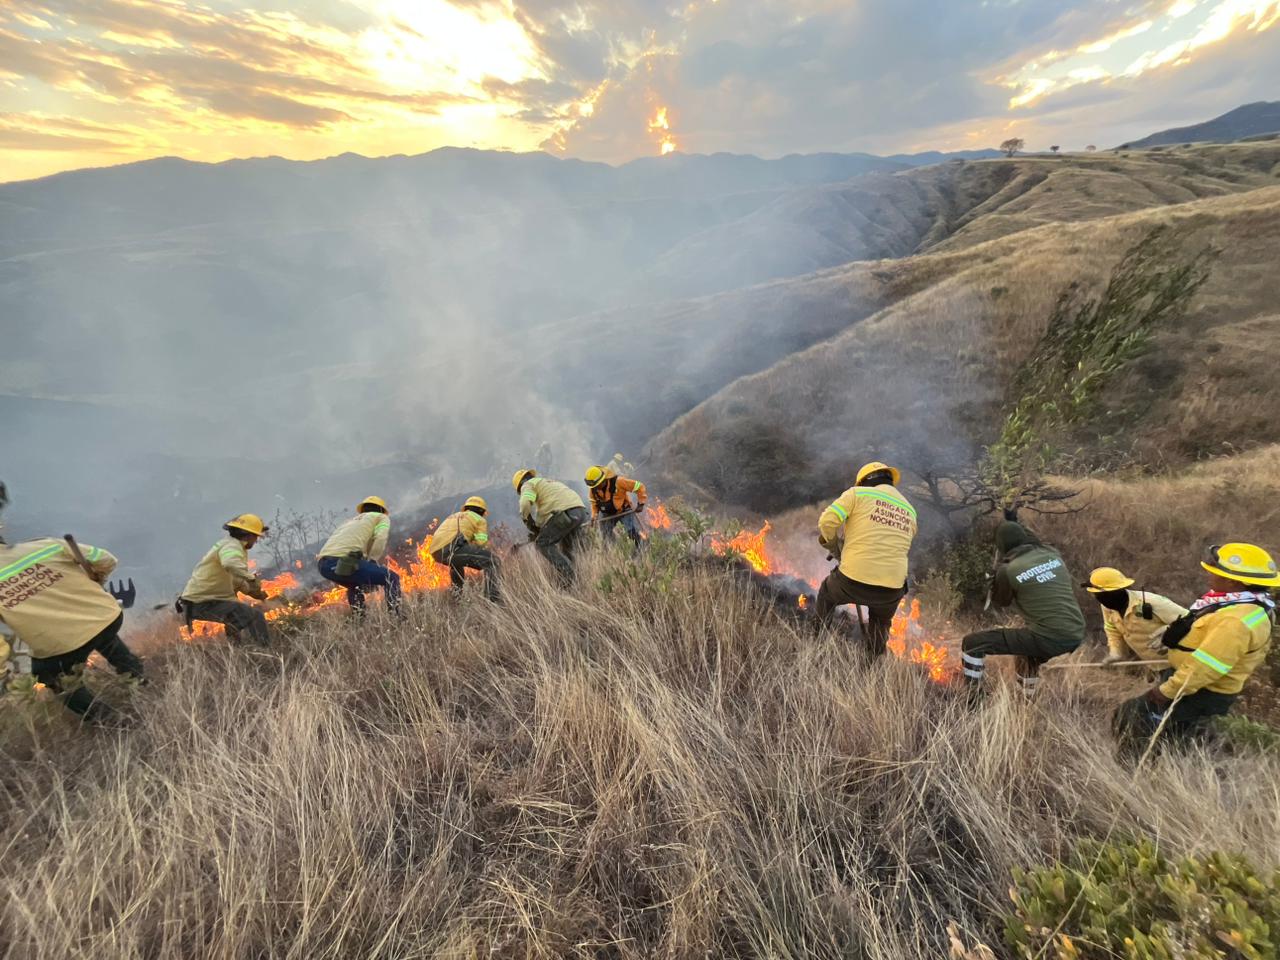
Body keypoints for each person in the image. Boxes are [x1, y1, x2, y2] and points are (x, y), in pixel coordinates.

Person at [1113, 543, 1276, 756]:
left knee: (1135, 718)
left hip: (1201, 691)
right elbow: (1206, 630)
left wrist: (1166, 692)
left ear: (1232, 581)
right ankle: (1168, 767)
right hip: (1194, 685)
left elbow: (1206, 666)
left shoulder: (1235, 621)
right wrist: (1175, 634)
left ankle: (1133, 769)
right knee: (1172, 736)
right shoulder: (1234, 603)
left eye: (1214, 572)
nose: (1209, 575)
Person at [0, 485, 144, 721]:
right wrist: (96, 578)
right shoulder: (45, 546)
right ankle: (139, 682)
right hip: (106, 617)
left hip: (61, 645)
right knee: (104, 635)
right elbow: (105, 559)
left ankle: (111, 721)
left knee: (52, 677)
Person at [960, 520, 1085, 698]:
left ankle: (973, 697)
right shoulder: (1052, 554)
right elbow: (1032, 538)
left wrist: (993, 581)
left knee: (972, 644)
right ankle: (1025, 701)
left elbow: (1001, 601)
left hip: (1048, 636)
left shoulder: (1009, 570)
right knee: (1027, 653)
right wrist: (1012, 520)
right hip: (1075, 632)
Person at [815, 461, 917, 654]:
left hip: (852, 580)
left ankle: (817, 644)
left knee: (826, 594)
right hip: (892, 589)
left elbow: (826, 522)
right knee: (880, 624)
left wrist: (834, 547)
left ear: (862, 482)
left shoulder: (857, 494)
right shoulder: (909, 510)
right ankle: (873, 665)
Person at [179, 513, 272, 645]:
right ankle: (264, 651)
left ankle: (237, 651)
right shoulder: (232, 547)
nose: (256, 541)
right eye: (256, 537)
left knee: (238, 616)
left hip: (199, 603)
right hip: (203, 603)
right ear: (249, 535)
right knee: (255, 616)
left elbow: (234, 579)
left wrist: (253, 592)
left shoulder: (228, 544)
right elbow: (230, 563)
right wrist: (251, 578)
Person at [317, 496, 402, 615]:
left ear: (362, 510)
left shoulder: (349, 522)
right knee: (391, 578)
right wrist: (373, 560)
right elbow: (380, 537)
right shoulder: (381, 517)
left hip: (323, 565)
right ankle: (395, 616)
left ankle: (359, 619)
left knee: (355, 584)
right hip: (342, 560)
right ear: (382, 510)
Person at [1082, 567, 1187, 663]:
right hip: (1155, 664)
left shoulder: (1152, 602)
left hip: (1184, 659)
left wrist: (1171, 631)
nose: (1098, 597)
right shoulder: (1107, 607)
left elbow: (1191, 619)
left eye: (1101, 594)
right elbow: (1112, 630)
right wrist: (1116, 653)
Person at [513, 468, 588, 586]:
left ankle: (568, 575)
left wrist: (527, 520)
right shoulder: (546, 483)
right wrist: (538, 527)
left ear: (520, 485)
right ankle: (574, 582)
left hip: (565, 512)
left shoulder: (528, 484)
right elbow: (545, 513)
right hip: (580, 511)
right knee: (567, 548)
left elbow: (525, 504)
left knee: (542, 543)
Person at [430, 496, 500, 602]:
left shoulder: (453, 516)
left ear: (466, 508)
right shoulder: (480, 520)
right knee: (493, 561)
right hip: (452, 548)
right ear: (482, 511)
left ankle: (456, 599)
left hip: (436, 552)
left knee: (456, 564)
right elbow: (481, 543)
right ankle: (492, 601)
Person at [585, 465, 647, 546]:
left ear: (603, 479)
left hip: (623, 510)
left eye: (598, 485)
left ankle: (641, 546)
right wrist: (594, 516)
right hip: (608, 513)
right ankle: (613, 549)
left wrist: (641, 503)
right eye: (594, 486)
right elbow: (594, 504)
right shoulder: (593, 489)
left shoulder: (618, 482)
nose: (596, 488)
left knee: (631, 532)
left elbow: (639, 486)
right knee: (606, 534)